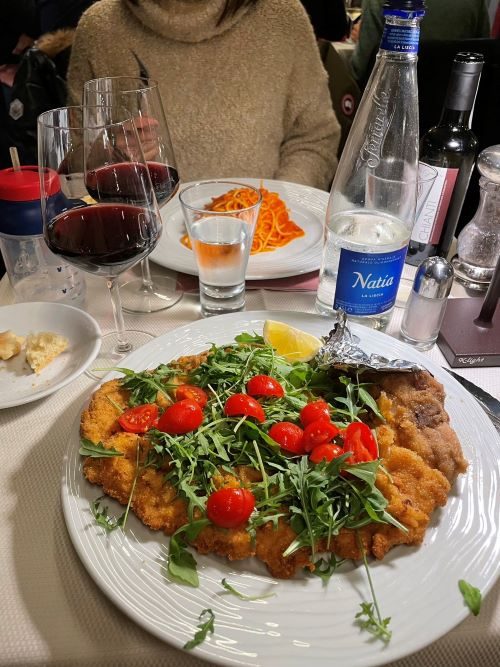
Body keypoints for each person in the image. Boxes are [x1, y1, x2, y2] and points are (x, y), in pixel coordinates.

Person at [67, 0, 341, 190]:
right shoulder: (101, 28)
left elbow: (313, 138)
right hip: (140, 245)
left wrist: (275, 212)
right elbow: (74, 159)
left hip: (264, 247)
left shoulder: (283, 18)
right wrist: (110, 153)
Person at [351, 0, 491, 88]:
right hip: (456, 113)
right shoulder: (476, 3)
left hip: (387, 113)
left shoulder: (377, 2)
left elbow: (359, 73)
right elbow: (485, 60)